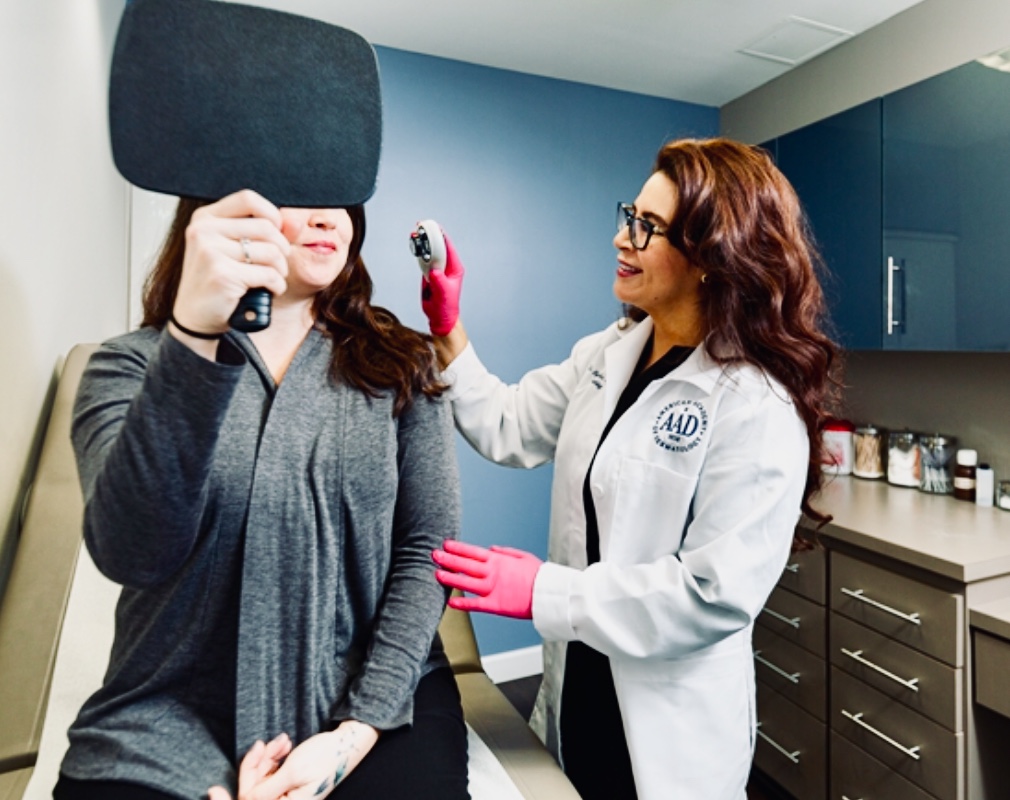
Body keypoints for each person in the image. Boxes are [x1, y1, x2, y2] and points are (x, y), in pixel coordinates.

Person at [427, 138, 839, 800]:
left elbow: (710, 596)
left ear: (711, 256)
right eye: (630, 215)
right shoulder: (609, 352)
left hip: (666, 724)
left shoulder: (755, 403)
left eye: (648, 227)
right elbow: (509, 424)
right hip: (581, 678)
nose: (622, 238)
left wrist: (542, 591)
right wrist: (447, 327)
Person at [56, 190, 469, 800]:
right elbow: (133, 553)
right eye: (299, 196)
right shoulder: (129, 368)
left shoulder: (402, 364)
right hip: (173, 712)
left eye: (340, 198)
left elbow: (425, 548)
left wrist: (354, 734)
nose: (327, 217)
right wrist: (194, 335)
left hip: (368, 687)